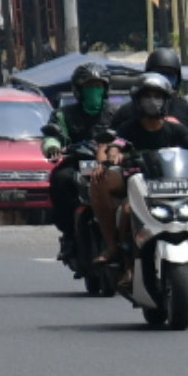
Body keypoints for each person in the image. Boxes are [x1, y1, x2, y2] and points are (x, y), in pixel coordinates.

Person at [89, 71, 188, 279]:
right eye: (147, 96)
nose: (152, 101)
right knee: (128, 210)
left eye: (157, 96)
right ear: (138, 101)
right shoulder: (129, 128)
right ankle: (121, 255)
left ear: (166, 101)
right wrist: (114, 155)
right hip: (140, 187)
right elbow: (115, 145)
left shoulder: (176, 129)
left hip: (172, 187)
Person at [42, 59, 117, 268]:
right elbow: (52, 135)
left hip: (111, 167)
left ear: (106, 89)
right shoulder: (64, 114)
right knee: (60, 178)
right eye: (89, 87)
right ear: (78, 90)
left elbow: (129, 135)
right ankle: (68, 234)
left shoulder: (117, 115)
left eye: (98, 86)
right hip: (77, 164)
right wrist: (53, 147)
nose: (94, 91)